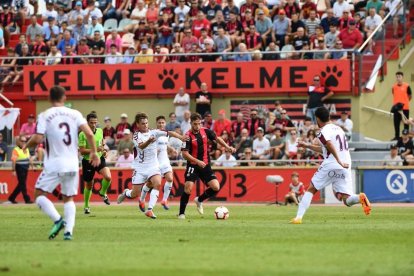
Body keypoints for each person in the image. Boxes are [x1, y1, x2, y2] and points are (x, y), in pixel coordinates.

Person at [24, 85, 99, 240]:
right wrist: (94, 153)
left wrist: (26, 145)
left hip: (54, 163)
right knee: (68, 198)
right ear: (65, 98)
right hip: (72, 163)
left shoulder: (45, 115)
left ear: (49, 98)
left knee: (39, 194)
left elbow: (37, 138)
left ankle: (58, 220)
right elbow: (90, 134)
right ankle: (68, 233)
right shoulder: (75, 113)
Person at [291, 107, 371, 224]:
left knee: (311, 189)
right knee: (347, 199)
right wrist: (307, 145)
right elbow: (325, 149)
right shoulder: (339, 129)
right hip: (346, 164)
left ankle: (298, 218)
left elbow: (328, 144)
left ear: (317, 119)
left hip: (333, 163)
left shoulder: (323, 131)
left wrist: (337, 159)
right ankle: (359, 198)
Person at [117, 113, 185, 219]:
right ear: (138, 125)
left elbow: (169, 132)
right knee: (135, 193)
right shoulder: (136, 135)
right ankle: (126, 193)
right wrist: (149, 141)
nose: (145, 125)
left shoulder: (154, 132)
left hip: (153, 166)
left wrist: (181, 137)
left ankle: (150, 210)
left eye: (146, 123)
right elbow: (141, 146)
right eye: (143, 123)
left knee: (157, 183)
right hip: (140, 167)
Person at [178, 113, 235, 219]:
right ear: (191, 123)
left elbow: (217, 139)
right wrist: (197, 161)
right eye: (195, 124)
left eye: (199, 124)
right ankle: (181, 213)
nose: (197, 126)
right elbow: (184, 154)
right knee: (188, 188)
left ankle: (199, 200)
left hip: (205, 165)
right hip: (193, 165)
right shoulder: (187, 136)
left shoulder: (206, 131)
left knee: (215, 187)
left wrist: (227, 147)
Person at [139, 116, 178, 211]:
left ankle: (164, 200)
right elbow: (147, 146)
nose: (161, 124)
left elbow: (165, 144)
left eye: (163, 123)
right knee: (150, 184)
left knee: (170, 178)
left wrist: (171, 149)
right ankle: (142, 200)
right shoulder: (153, 134)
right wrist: (154, 151)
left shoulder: (166, 134)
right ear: (156, 123)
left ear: (165, 124)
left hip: (165, 161)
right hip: (155, 163)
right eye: (159, 123)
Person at [79, 113, 112, 214]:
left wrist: (104, 151)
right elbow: (82, 151)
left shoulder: (100, 131)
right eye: (91, 123)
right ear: (87, 123)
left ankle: (102, 192)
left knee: (108, 176)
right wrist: (94, 150)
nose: (93, 125)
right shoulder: (82, 134)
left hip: (99, 158)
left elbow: (102, 144)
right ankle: (86, 206)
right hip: (88, 161)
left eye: (95, 122)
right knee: (89, 185)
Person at [7, 136, 32, 204]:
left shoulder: (26, 149)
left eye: (25, 141)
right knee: (22, 184)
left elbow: (29, 157)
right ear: (18, 142)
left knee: (21, 184)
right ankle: (27, 199)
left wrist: (31, 163)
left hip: (25, 167)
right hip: (20, 167)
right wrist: (13, 170)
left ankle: (11, 197)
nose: (24, 142)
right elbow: (14, 161)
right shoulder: (16, 150)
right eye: (22, 141)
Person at [392, 72, 412, 140]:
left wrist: (405, 102)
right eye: (397, 77)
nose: (398, 78)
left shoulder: (407, 86)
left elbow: (410, 96)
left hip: (405, 108)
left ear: (402, 77)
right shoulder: (394, 87)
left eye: (399, 76)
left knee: (406, 123)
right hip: (396, 108)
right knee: (396, 123)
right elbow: (394, 95)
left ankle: (406, 137)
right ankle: (397, 137)